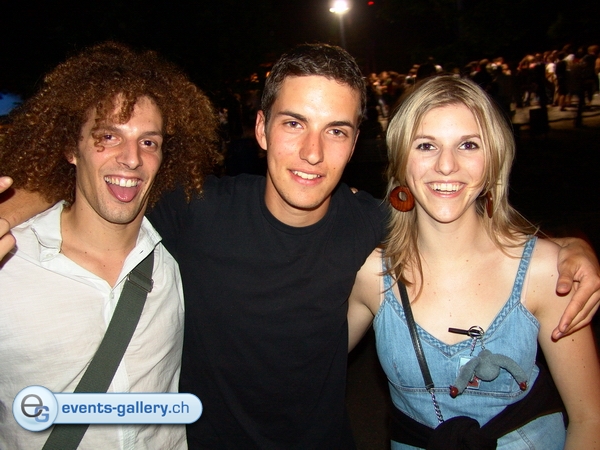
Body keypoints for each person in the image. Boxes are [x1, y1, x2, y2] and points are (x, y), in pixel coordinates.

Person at [1, 44, 599, 449]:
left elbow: (459, 214)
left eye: (335, 131)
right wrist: (8, 208)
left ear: (354, 142)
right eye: (293, 124)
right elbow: (104, 174)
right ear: (262, 129)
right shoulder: (195, 209)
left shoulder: (372, 223)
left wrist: (571, 249)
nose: (313, 153)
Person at [348, 75, 600, 449]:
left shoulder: (547, 272)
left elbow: (589, 418)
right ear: (400, 161)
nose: (446, 165)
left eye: (468, 145)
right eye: (426, 145)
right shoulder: (372, 274)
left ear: (493, 161)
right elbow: (299, 363)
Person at [0, 42, 219, 449]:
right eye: (108, 136)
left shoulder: (174, 260)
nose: (131, 158)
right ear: (70, 147)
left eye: (149, 142)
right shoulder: (9, 265)